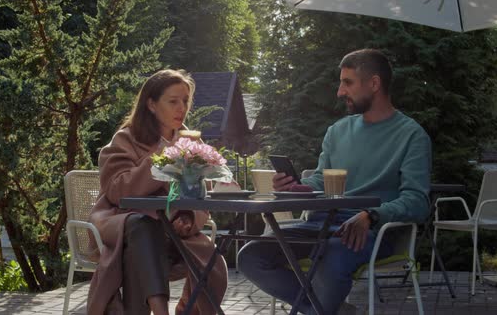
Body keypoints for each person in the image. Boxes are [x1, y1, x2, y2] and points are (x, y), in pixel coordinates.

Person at [238, 49, 431, 315]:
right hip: (319, 225)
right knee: (251, 255)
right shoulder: (337, 131)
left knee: (332, 254)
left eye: (348, 82)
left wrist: (372, 215)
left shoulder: (412, 136)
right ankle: (331, 310)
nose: (340, 92)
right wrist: (297, 187)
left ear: (374, 84)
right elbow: (321, 179)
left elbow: (418, 202)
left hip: (371, 231)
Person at [87, 69, 228, 315]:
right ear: (151, 105)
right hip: (123, 226)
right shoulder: (125, 139)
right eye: (173, 101)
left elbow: (201, 199)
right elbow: (117, 191)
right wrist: (161, 158)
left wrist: (189, 219)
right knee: (143, 226)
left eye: (185, 101)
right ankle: (160, 311)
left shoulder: (192, 145)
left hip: (171, 234)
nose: (181, 108)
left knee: (137, 257)